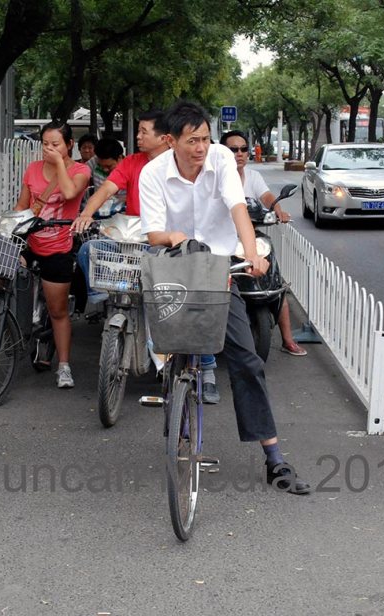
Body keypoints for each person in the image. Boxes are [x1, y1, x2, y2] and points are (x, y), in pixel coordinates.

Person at [140, 101, 310, 494]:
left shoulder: (220, 161)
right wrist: (175, 237)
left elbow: (237, 209)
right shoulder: (153, 173)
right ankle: (176, 408)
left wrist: (251, 253)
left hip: (219, 269)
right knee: (169, 351)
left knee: (246, 359)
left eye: (205, 138)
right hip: (174, 268)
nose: (201, 147)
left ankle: (274, 457)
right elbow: (153, 234)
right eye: (192, 140)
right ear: (171, 141)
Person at [72, 110, 223, 404]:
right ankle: (102, 298)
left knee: (191, 304)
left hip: (172, 244)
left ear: (165, 138)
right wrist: (86, 214)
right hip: (136, 240)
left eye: (143, 132)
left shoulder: (183, 164)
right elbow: (106, 189)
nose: (138, 137)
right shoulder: (131, 163)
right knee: (90, 249)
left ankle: (207, 370)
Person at [14, 122, 91, 388]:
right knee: (7, 282)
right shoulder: (33, 168)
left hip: (59, 246)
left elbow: (70, 193)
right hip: (31, 242)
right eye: (45, 143)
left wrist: (58, 162)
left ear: (69, 144)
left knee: (57, 311)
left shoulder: (80, 170)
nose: (49, 149)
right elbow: (23, 206)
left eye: (55, 144)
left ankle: (64, 366)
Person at [220, 130, 307, 357]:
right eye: (233, 150)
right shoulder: (215, 177)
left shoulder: (253, 176)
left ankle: (288, 340)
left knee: (276, 282)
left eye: (243, 149)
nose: (239, 154)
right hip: (222, 241)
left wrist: (278, 210)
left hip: (250, 237)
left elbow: (267, 197)